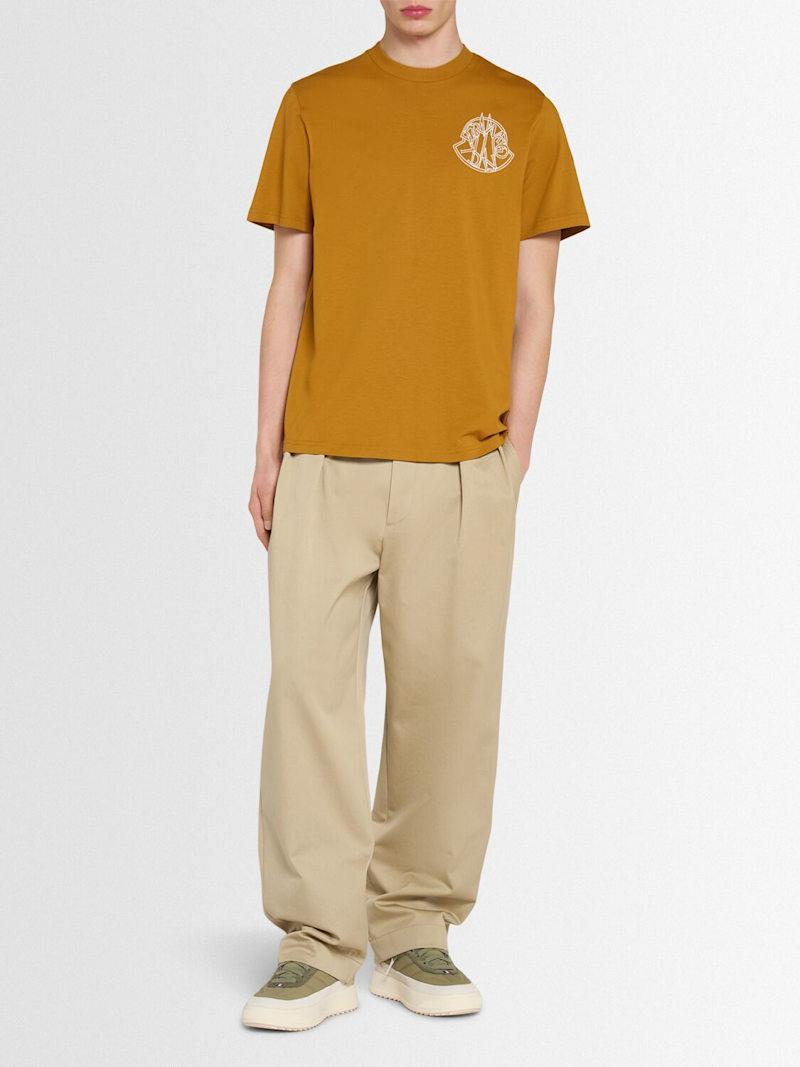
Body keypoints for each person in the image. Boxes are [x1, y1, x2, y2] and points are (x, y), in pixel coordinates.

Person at [241, 0, 589, 1031]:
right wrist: (265, 448)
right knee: (308, 697)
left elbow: (535, 303)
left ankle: (413, 930)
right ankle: (315, 946)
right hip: (322, 455)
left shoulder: (522, 114)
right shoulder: (314, 104)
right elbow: (288, 283)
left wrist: (513, 455)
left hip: (463, 462)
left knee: (446, 700)